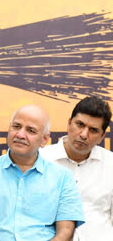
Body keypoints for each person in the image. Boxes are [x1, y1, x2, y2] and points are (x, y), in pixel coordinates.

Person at [0, 105, 85, 241]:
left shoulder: (63, 178)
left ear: (44, 139)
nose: (20, 134)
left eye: (31, 130)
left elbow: (66, 232)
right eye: (16, 126)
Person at [40, 96, 113, 240]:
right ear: (69, 123)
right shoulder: (40, 159)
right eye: (80, 124)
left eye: (93, 130)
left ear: (102, 136)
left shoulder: (111, 164)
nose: (84, 135)